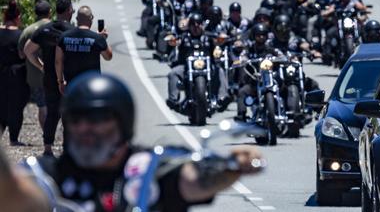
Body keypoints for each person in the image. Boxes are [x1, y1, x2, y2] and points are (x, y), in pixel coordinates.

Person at [25, 72, 264, 211]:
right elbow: (13, 193)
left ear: (122, 122)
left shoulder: (149, 169)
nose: (85, 128)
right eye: (77, 119)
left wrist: (230, 166)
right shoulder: (46, 174)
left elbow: (192, 181)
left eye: (97, 119)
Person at [24, 0, 75, 156]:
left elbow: (28, 50)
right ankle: (67, 147)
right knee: (67, 113)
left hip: (49, 78)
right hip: (67, 78)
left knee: (52, 112)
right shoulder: (71, 31)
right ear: (69, 11)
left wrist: (41, 66)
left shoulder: (45, 30)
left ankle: (47, 147)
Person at [55, 6, 112, 94]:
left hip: (72, 84)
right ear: (91, 18)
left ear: (77, 19)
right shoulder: (97, 39)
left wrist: (61, 81)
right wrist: (103, 39)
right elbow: (108, 56)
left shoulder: (64, 36)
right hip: (92, 85)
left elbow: (58, 61)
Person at [18, 0, 51, 132]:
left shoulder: (28, 30)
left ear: (35, 13)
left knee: (42, 107)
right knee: (55, 106)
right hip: (55, 75)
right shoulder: (55, 27)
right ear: (50, 12)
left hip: (35, 78)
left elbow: (21, 54)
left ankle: (46, 135)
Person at [0, 0, 29, 146]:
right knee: (17, 106)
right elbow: (24, 54)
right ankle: (13, 138)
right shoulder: (21, 35)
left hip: (1, 72)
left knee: (2, 104)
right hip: (18, 73)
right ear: (17, 17)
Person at [235, 23, 279, 121]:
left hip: (271, 81)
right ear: (254, 36)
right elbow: (242, 56)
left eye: (263, 35)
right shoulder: (249, 49)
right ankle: (241, 115)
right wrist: (242, 60)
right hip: (255, 82)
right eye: (258, 35)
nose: (261, 37)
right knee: (242, 91)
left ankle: (291, 111)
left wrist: (284, 58)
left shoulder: (271, 49)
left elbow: (281, 55)